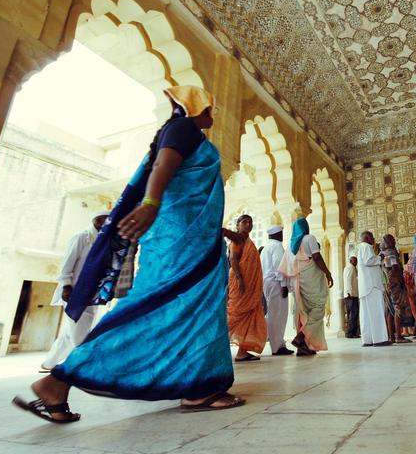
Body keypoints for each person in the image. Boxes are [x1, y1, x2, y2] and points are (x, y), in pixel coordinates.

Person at [13, 85, 245, 424]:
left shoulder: (184, 132)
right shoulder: (183, 128)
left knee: (178, 311)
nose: (212, 115)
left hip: (187, 240)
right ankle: (60, 379)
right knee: (154, 311)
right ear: (196, 107)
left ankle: (195, 385)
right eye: (209, 108)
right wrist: (150, 203)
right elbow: (165, 164)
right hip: (180, 241)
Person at [40, 211, 112, 372]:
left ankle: (49, 363)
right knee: (81, 331)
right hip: (75, 292)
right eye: (107, 219)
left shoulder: (103, 240)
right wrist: (66, 285)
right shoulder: (82, 237)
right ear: (98, 220)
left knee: (70, 332)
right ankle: (84, 367)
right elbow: (67, 263)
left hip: (92, 291)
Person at [278, 218, 333, 356]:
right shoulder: (309, 238)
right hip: (311, 279)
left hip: (298, 281)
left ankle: (304, 347)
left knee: (303, 311)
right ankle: (300, 337)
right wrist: (328, 273)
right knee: (318, 307)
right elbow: (317, 256)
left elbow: (287, 266)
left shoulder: (291, 245)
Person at [227, 215, 267, 362]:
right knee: (234, 314)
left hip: (249, 285)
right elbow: (233, 258)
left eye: (251, 222)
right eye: (244, 222)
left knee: (249, 314)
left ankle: (242, 352)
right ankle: (211, 343)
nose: (249, 224)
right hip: (240, 283)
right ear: (237, 225)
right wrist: (239, 278)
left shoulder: (247, 241)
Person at [260, 225, 293, 356]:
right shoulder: (276, 246)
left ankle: (276, 344)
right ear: (277, 235)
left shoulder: (266, 247)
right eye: (281, 233)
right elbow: (278, 266)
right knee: (278, 314)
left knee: (273, 314)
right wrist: (284, 284)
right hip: (276, 283)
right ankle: (278, 346)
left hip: (268, 283)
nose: (282, 236)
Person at [356, 231, 390, 347]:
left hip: (366, 286)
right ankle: (379, 339)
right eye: (371, 237)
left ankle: (368, 340)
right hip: (372, 285)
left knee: (366, 315)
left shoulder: (361, 248)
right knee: (376, 312)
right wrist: (380, 256)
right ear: (366, 238)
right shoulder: (366, 246)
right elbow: (369, 261)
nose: (373, 239)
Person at [379, 234, 413, 343]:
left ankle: (391, 336)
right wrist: (402, 282)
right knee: (398, 307)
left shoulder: (381, 254)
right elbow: (394, 268)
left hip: (385, 283)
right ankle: (398, 335)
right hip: (394, 282)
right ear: (389, 243)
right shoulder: (391, 252)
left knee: (389, 309)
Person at [343, 256, 360, 338]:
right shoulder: (350, 268)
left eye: (356, 260)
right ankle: (350, 332)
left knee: (352, 313)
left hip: (352, 294)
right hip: (351, 294)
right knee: (353, 313)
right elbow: (348, 280)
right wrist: (349, 292)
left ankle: (353, 332)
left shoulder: (351, 268)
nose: (356, 262)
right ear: (350, 260)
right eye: (354, 260)